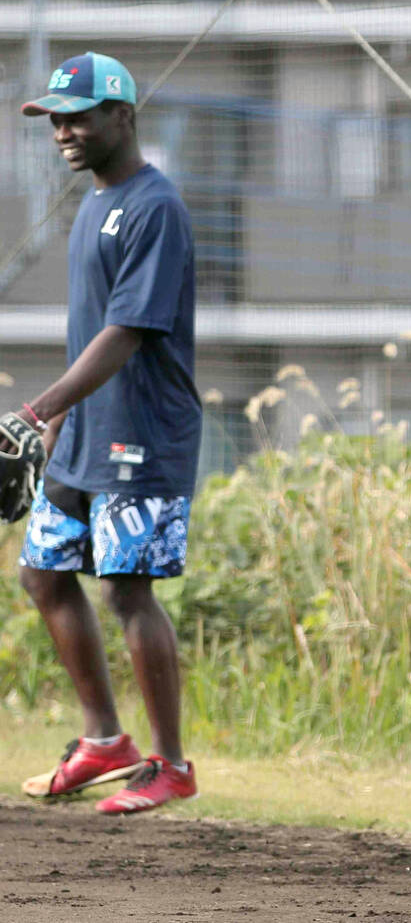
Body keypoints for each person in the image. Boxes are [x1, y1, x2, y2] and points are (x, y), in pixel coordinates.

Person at [9, 51, 201, 813]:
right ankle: (104, 742)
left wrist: (34, 406)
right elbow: (90, 330)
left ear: (124, 116)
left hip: (143, 433)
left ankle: (171, 764)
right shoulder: (91, 205)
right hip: (87, 431)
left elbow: (128, 331)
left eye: (78, 114)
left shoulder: (155, 206)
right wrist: (57, 420)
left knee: (126, 589)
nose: (63, 129)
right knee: (44, 573)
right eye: (54, 117)